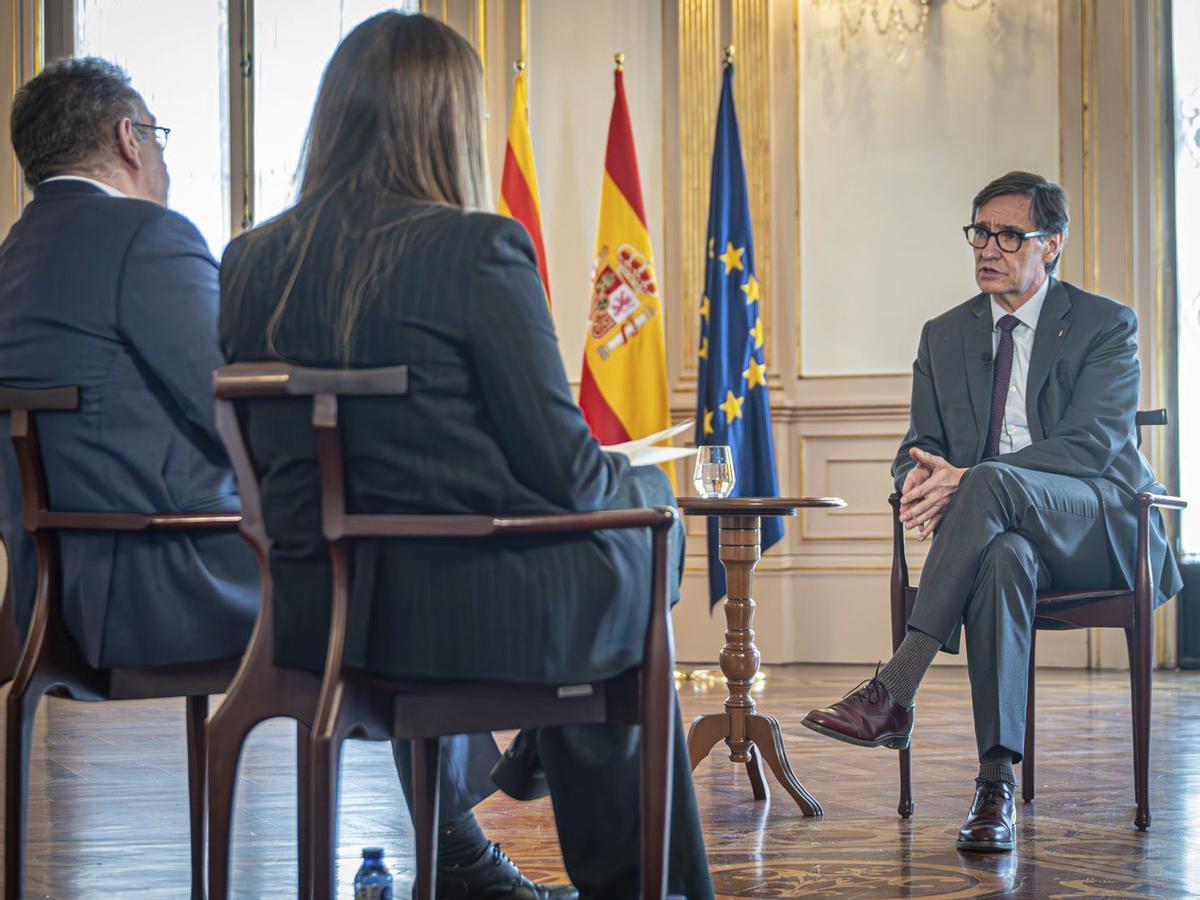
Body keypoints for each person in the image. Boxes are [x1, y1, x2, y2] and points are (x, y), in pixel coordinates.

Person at [218, 12, 713, 900]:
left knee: (609, 567)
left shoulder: (249, 261)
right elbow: (566, 473)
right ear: (445, 120)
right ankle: (645, 887)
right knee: (639, 540)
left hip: (315, 614)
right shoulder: (478, 248)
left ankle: (517, 795)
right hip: (467, 615)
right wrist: (650, 489)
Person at [801, 171, 1182, 852]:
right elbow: (919, 446)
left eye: (1011, 235)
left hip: (1097, 523)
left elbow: (1093, 444)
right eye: (981, 231)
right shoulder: (945, 335)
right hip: (1002, 532)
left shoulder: (1103, 323)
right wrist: (921, 480)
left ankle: (895, 688)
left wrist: (970, 480)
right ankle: (995, 787)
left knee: (988, 484)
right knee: (1003, 556)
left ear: (1052, 244)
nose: (989, 247)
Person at [0, 57, 258, 670]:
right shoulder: (148, 235)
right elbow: (236, 405)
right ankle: (506, 757)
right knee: (386, 568)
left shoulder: (13, 256)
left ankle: (512, 762)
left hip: (47, 595)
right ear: (128, 138)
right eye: (156, 133)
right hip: (174, 581)